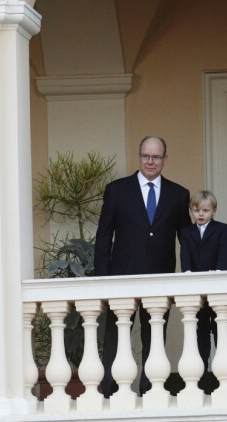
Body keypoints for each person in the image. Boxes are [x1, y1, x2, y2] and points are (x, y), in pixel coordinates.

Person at [94, 136, 191, 397]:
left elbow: (187, 239)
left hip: (160, 277)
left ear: (165, 160)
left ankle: (151, 390)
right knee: (116, 337)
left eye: (156, 157)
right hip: (121, 277)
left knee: (155, 337)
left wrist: (193, 273)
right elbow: (104, 237)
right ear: (139, 157)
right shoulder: (117, 190)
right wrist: (102, 280)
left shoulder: (179, 194)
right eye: (146, 156)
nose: (150, 162)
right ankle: (110, 391)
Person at [180, 190, 227, 372]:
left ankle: (222, 368)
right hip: (197, 288)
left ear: (214, 211)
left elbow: (224, 252)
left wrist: (218, 272)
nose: (200, 214)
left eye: (205, 210)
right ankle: (202, 368)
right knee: (200, 329)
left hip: (216, 287)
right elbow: (185, 254)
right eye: (196, 210)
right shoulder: (187, 232)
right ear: (191, 211)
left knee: (219, 327)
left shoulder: (221, 229)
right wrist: (187, 272)